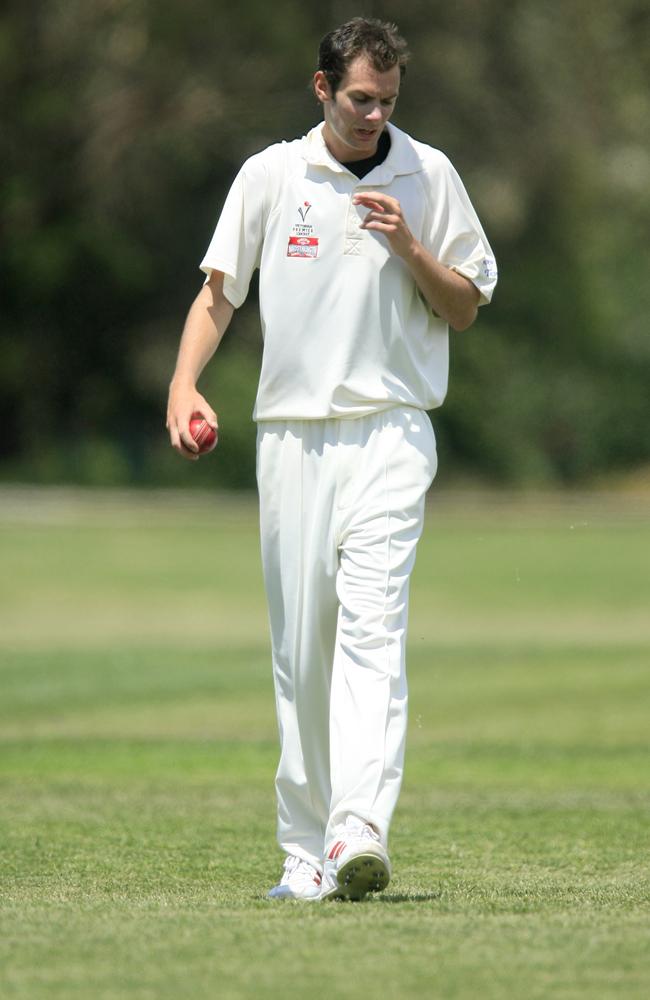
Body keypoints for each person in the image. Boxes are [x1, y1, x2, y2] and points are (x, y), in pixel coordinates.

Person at [166, 17, 497, 902]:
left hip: (390, 431)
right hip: (291, 439)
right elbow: (218, 294)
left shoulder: (427, 174)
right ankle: (304, 852)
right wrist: (183, 387)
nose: (373, 116)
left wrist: (409, 246)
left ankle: (359, 827)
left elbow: (464, 306)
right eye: (359, 99)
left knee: (371, 629)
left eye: (387, 102)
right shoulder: (273, 174)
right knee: (301, 651)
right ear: (322, 89)